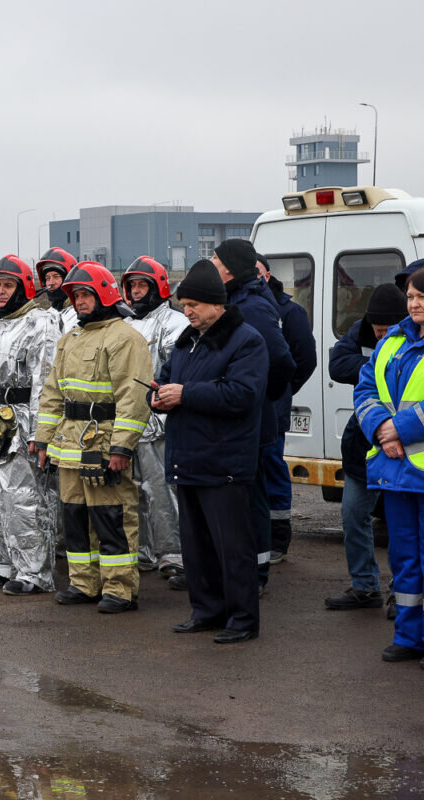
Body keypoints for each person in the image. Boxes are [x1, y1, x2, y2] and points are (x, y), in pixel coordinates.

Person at [152, 259, 268, 644]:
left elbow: (242, 395)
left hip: (225, 461)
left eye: (193, 306)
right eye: (184, 306)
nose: (187, 312)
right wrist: (159, 397)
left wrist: (185, 395)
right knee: (197, 546)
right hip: (188, 457)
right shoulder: (188, 340)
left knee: (232, 547)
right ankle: (206, 610)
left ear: (216, 304)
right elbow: (168, 378)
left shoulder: (246, 339)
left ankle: (242, 618)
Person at [35, 261, 152, 613]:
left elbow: (134, 398)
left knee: (112, 517)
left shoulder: (125, 338)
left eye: (86, 294)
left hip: (103, 444)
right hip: (70, 445)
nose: (79, 302)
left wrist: (121, 447)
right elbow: (53, 393)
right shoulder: (69, 339)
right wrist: (43, 440)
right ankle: (84, 583)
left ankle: (119, 588)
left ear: (104, 294)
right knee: (75, 518)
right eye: (75, 296)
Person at [355, 262, 424, 670]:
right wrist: (379, 429)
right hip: (397, 470)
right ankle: (409, 635)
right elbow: (365, 387)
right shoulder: (393, 338)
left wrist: (398, 431)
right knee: (404, 559)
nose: (413, 303)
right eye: (410, 296)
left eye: (422, 296)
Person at [0, 255, 60, 595]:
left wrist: (40, 433)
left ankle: (33, 571)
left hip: (19, 418)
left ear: (24, 287)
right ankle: (3, 561)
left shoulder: (41, 322)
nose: (2, 292)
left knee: (22, 498)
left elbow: (45, 380)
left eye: (9, 285)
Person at [211, 239, 295, 591]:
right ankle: (236, 569)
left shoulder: (254, 307)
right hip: (236, 419)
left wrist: (262, 398)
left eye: (215, 259)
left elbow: (282, 362)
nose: (211, 264)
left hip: (252, 420)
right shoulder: (233, 300)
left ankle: (256, 574)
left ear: (229, 268)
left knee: (253, 496)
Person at [326, 283, 406, 610]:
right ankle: (365, 585)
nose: (381, 335)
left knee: (403, 527)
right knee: (352, 514)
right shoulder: (360, 333)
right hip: (364, 445)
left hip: (406, 448)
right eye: (377, 330)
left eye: (388, 330)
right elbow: (337, 365)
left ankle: (402, 594)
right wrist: (381, 369)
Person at [121, 257, 188, 578]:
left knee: (162, 491)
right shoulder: (125, 323)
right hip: (126, 422)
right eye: (132, 286)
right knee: (132, 491)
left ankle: (174, 553)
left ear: (159, 287)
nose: (136, 292)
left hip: (158, 423)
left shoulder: (174, 322)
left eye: (142, 285)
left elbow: (176, 370)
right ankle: (142, 551)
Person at [257, 254, 318, 563]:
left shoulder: (289, 311)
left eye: (258, 271)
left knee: (272, 467)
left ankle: (278, 538)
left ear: (268, 274)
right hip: (247, 407)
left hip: (273, 406)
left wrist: (283, 390)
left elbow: (305, 359)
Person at [35, 248, 79, 333]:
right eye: (47, 278)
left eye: (56, 277)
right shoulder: (47, 316)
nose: (51, 283)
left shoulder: (80, 314)